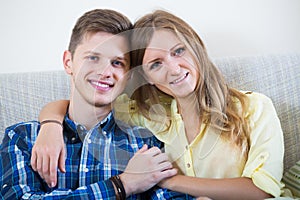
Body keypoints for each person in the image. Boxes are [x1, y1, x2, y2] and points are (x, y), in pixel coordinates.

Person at [30, 9, 288, 199]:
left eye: (178, 51)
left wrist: (170, 181)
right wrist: (52, 125)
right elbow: (87, 104)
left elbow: (262, 189)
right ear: (147, 77)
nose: (174, 69)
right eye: (156, 64)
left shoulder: (253, 107)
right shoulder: (151, 117)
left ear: (196, 47)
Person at [0, 9, 195, 199]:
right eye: (93, 58)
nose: (105, 72)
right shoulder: (22, 139)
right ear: (69, 62)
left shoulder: (145, 142)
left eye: (117, 62)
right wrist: (122, 185)